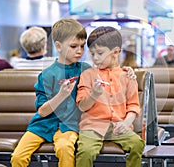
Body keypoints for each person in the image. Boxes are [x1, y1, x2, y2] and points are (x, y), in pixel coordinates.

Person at [11, 19, 136, 167]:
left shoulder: (86, 69)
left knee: (65, 148)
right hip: (41, 126)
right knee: (18, 157)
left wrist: (128, 71)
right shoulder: (46, 75)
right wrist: (61, 95)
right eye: (73, 46)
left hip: (70, 125)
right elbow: (42, 111)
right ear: (58, 46)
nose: (79, 51)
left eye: (82, 46)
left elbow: (109, 72)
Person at [75, 26, 145, 167]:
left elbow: (133, 106)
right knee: (85, 151)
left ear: (116, 52)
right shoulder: (87, 75)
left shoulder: (127, 76)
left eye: (100, 53)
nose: (95, 58)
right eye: (92, 54)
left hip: (119, 126)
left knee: (137, 144)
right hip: (92, 127)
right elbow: (82, 106)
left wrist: (126, 123)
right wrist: (94, 95)